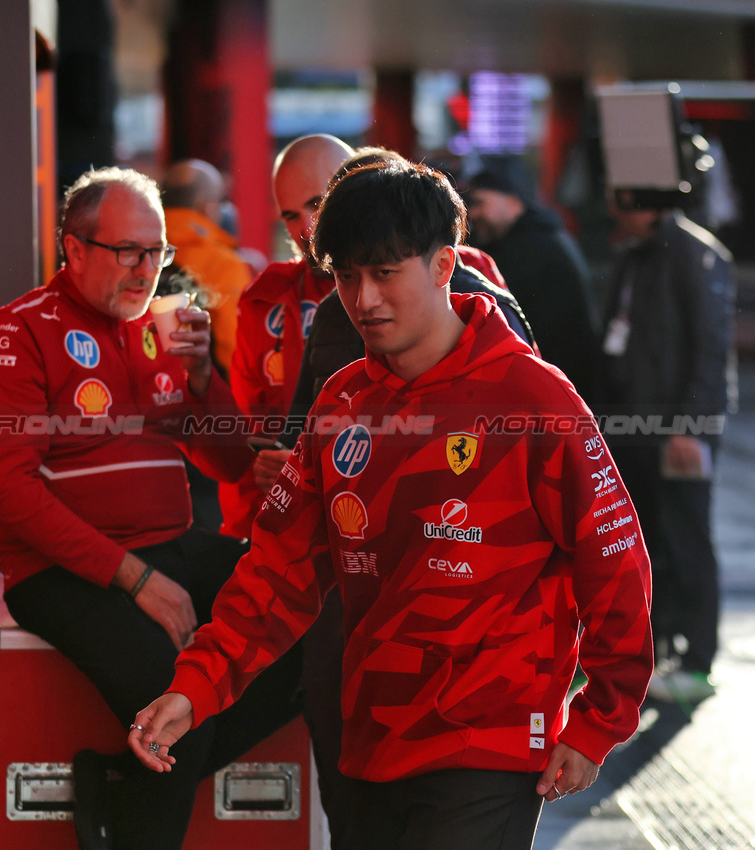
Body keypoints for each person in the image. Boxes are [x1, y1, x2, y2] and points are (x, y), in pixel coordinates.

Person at [127, 161, 654, 850]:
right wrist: (194, 688)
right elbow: (275, 571)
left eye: (383, 272)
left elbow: (613, 563)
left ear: (442, 267)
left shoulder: (534, 399)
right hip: (370, 737)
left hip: (489, 743)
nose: (363, 297)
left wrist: (595, 724)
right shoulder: (340, 402)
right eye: (346, 276)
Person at [0, 167, 302, 850]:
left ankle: (121, 779)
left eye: (157, 252)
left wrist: (205, 382)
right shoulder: (16, 333)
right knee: (178, 701)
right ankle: (140, 789)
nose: (146, 270)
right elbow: (7, 490)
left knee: (312, 619)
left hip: (173, 543)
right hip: (62, 572)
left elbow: (231, 465)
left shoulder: (161, 328)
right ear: (74, 248)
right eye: (128, 252)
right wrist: (135, 579)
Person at [273, 146, 536, 850]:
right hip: (352, 641)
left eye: (316, 209)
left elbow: (565, 514)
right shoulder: (334, 316)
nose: (365, 296)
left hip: (468, 668)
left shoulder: (486, 318)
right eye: (292, 216)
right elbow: (303, 443)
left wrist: (593, 712)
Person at [600, 197, 735, 705]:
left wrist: (691, 428)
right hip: (635, 427)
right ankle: (656, 654)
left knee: (687, 540)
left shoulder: (698, 255)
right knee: (648, 543)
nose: (615, 213)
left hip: (680, 427)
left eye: (624, 203)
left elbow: (709, 349)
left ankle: (697, 661)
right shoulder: (634, 254)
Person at [221, 134, 353, 540]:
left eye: (317, 203)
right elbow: (247, 438)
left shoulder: (447, 276)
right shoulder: (263, 301)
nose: (307, 228)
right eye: (291, 215)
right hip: (289, 539)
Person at [465, 161, 601, 401]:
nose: (473, 214)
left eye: (480, 202)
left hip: (556, 394)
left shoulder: (532, 248)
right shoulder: (541, 237)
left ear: (514, 202)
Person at [161, 159, 253, 377]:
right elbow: (234, 351)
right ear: (206, 205)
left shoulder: (143, 252)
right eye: (221, 200)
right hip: (200, 393)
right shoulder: (224, 265)